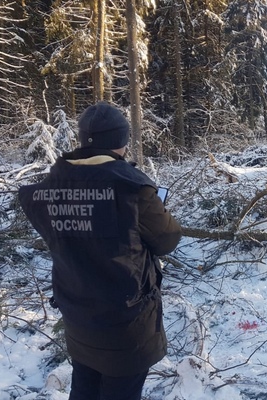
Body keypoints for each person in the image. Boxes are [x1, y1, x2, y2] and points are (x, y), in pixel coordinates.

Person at [18, 102, 183, 400]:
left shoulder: (46, 189)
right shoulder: (133, 189)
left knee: (84, 388)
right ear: (121, 141)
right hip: (127, 327)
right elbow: (168, 240)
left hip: (78, 319)